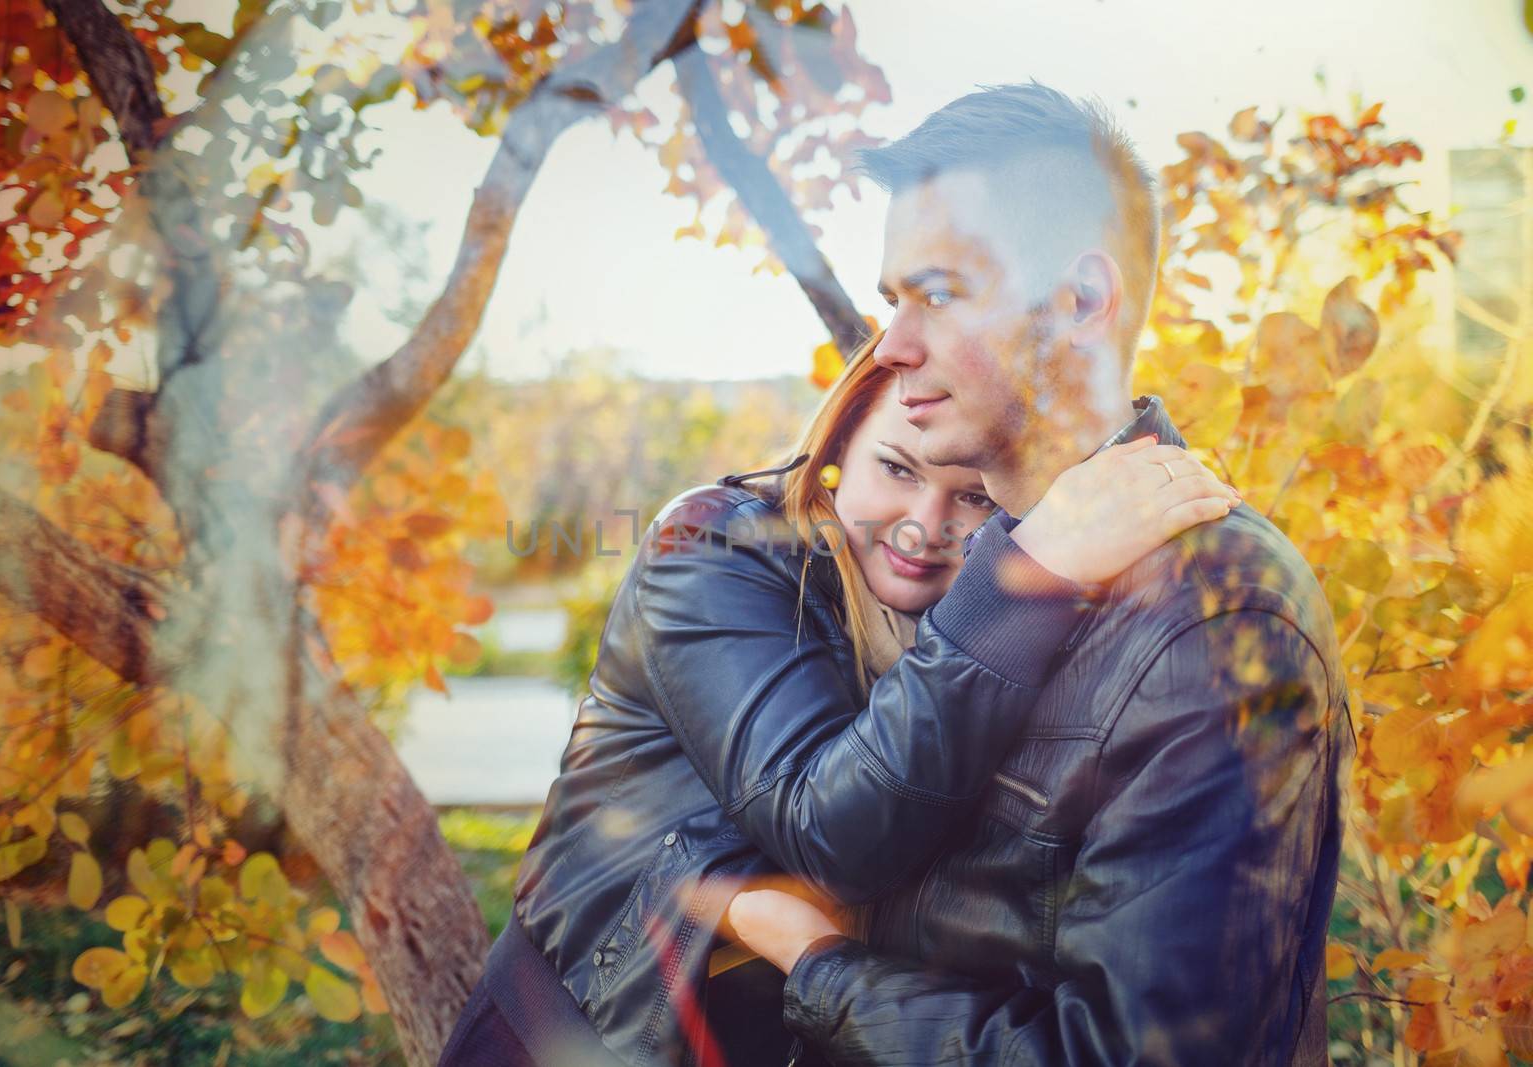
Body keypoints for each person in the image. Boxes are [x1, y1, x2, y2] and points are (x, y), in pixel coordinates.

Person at [725, 83, 1352, 1066]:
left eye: (937, 294)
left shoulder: (1213, 618)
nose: (891, 347)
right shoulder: (973, 574)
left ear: (1081, 300)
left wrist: (823, 971)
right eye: (894, 301)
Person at [437, 334, 1240, 1066]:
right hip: (584, 1035)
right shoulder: (715, 548)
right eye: (897, 468)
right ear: (838, 451)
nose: (926, 526)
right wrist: (1028, 569)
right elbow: (833, 830)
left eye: (975, 500)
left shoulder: (991, 624)